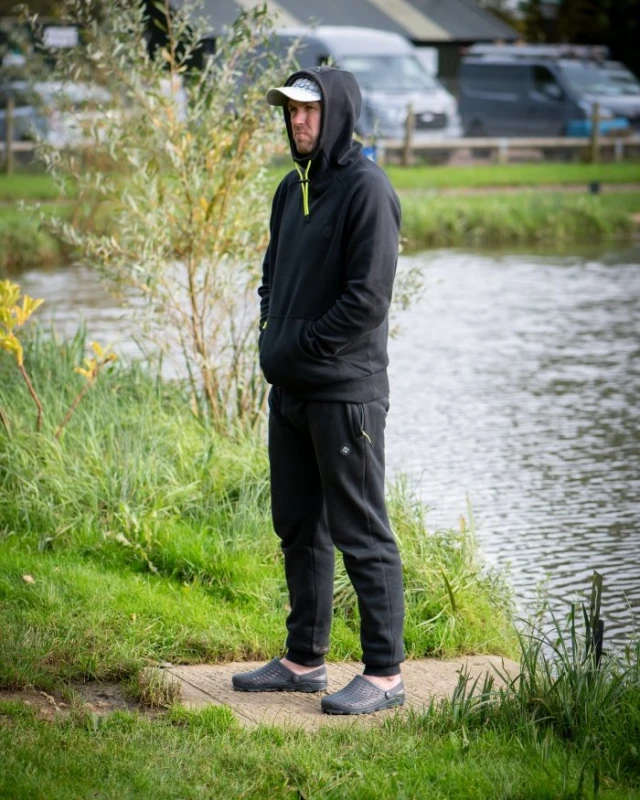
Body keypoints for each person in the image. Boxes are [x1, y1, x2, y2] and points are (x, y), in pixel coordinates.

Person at [231, 67, 405, 715]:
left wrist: (300, 344)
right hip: (292, 391)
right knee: (299, 525)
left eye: (308, 110)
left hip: (345, 393)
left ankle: (385, 675)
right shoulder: (290, 188)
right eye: (290, 110)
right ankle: (304, 660)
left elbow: (367, 300)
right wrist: (271, 335)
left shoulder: (368, 189)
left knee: (361, 530)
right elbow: (270, 278)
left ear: (335, 114)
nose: (297, 120)